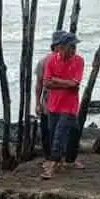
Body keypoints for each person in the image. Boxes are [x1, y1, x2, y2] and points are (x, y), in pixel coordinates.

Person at [41, 32, 85, 180]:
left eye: (75, 47)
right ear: (61, 47)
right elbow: (46, 83)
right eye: (71, 47)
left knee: (60, 133)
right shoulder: (51, 60)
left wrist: (56, 80)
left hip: (70, 105)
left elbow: (75, 84)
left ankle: (52, 166)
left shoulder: (79, 61)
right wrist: (66, 83)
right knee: (55, 132)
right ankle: (64, 161)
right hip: (54, 104)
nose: (74, 50)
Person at [35, 31, 65, 160]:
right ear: (56, 46)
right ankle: (49, 159)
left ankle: (59, 159)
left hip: (65, 103)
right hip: (48, 103)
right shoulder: (44, 62)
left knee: (63, 131)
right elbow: (39, 85)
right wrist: (37, 103)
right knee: (47, 132)